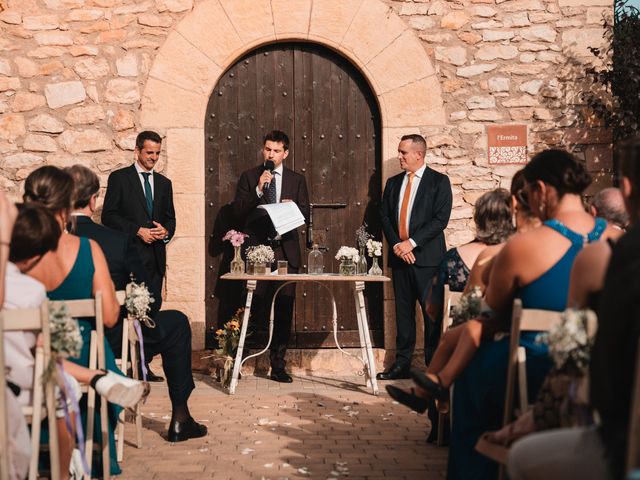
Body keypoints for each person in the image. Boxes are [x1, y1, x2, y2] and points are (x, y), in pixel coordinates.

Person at [437, 149, 617, 480]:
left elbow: (491, 311)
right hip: (607, 370)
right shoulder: (618, 239)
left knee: (474, 373)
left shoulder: (523, 246)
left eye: (528, 194)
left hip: (535, 364)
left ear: (543, 190)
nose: (527, 203)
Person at [508, 138, 640, 480]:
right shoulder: (607, 240)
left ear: (626, 188)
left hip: (622, 442)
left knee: (522, 458)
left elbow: (580, 356)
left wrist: (536, 416)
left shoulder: (611, 255)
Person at [5, 203, 149, 479]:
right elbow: (50, 346)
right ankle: (64, 472)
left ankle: (97, 376)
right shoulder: (32, 291)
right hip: (23, 387)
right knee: (62, 385)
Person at [67, 164, 207, 442]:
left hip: (58, 340)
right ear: (94, 200)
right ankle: (180, 417)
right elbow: (149, 301)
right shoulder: (115, 241)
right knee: (177, 322)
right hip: (111, 338)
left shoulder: (43, 242)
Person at [22, 166, 129, 476]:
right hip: (84, 354)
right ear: (67, 205)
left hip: (28, 362)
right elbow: (110, 318)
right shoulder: (87, 249)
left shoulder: (17, 255)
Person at [231, 130, 309, 383]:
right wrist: (257, 190)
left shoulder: (297, 180)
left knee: (284, 308)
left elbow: (305, 214)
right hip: (257, 252)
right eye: (267, 149)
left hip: (285, 252)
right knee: (251, 305)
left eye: (276, 151)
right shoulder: (250, 177)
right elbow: (238, 213)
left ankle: (278, 365)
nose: (271, 154)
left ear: (285, 153)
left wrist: (291, 207)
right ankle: (237, 359)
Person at [378, 134, 452, 380]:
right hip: (400, 259)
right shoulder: (393, 183)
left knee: (431, 315)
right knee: (403, 313)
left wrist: (411, 243)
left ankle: (434, 367)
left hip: (427, 259)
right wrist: (399, 246)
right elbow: (385, 217)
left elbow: (440, 220)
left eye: (403, 153)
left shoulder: (439, 182)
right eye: (399, 152)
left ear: (418, 155)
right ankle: (401, 364)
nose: (399, 157)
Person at [102, 130, 176, 295]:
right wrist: (137, 230)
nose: (154, 157)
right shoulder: (119, 178)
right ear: (137, 151)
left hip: (156, 261)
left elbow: (171, 219)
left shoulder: (165, 184)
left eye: (157, 153)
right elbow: (108, 216)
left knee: (153, 314)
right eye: (149, 152)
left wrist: (166, 232)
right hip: (129, 258)